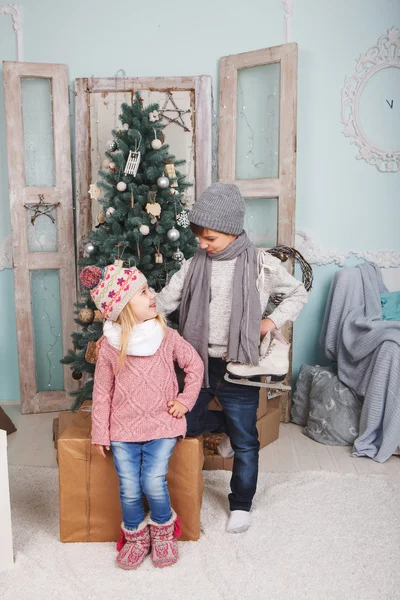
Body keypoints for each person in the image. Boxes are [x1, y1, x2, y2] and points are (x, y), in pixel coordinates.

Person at [157, 182, 308, 534]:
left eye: (209, 238)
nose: (202, 244)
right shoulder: (194, 264)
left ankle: (241, 503)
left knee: (245, 441)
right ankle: (221, 427)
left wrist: (270, 321)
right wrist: (145, 325)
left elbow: (297, 293)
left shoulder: (260, 264)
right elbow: (165, 301)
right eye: (199, 237)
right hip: (197, 363)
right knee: (185, 425)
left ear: (231, 229)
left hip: (240, 365)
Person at [79, 262, 203, 569]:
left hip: (162, 425)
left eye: (149, 289)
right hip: (123, 430)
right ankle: (134, 536)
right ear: (122, 306)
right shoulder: (110, 346)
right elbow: (102, 393)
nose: (152, 295)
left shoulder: (166, 335)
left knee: (151, 480)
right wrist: (100, 433)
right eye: (143, 292)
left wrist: (185, 402)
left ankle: (163, 530)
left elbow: (195, 366)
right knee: (130, 487)